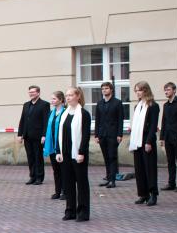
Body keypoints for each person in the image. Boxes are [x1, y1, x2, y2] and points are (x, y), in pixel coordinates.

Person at [56, 87, 91, 222]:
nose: (68, 97)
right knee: (68, 183)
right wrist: (58, 151)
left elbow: (86, 135)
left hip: (78, 153)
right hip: (65, 154)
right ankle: (70, 210)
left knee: (81, 183)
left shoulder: (84, 114)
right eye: (66, 95)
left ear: (78, 96)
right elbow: (60, 134)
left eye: (71, 95)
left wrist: (81, 152)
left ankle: (83, 211)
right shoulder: (64, 114)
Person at [130, 81, 160, 206]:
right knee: (139, 168)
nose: (137, 93)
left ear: (145, 90)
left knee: (150, 168)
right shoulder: (137, 106)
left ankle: (153, 194)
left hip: (147, 140)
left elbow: (153, 125)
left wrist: (148, 141)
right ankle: (143, 194)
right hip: (137, 140)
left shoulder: (153, 106)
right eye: (136, 90)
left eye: (139, 90)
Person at [17, 85, 49, 185]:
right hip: (27, 136)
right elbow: (22, 120)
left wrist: (44, 135)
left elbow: (46, 121)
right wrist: (20, 134)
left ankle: (39, 177)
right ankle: (32, 176)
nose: (31, 94)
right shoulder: (26, 105)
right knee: (30, 157)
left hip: (38, 136)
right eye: (30, 92)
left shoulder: (44, 104)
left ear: (38, 93)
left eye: (33, 92)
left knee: (38, 157)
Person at [94, 81, 124, 188]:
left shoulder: (117, 103)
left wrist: (120, 134)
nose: (104, 90)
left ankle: (112, 180)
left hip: (113, 134)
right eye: (102, 89)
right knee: (106, 157)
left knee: (112, 157)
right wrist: (96, 135)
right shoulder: (99, 103)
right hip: (102, 134)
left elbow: (120, 120)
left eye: (106, 88)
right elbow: (97, 120)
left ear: (111, 90)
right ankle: (108, 177)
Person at [159, 82, 177, 192]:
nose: (166, 92)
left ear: (174, 90)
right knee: (170, 161)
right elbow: (163, 122)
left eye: (168, 89)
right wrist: (162, 138)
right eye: (165, 90)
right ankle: (171, 183)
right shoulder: (165, 105)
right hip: (168, 137)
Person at [43, 91, 66, 200]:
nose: (52, 101)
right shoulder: (51, 113)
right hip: (52, 145)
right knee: (56, 170)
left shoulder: (65, 112)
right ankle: (57, 191)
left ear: (61, 100)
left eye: (54, 99)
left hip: (61, 145)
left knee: (63, 169)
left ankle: (65, 191)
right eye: (51, 99)